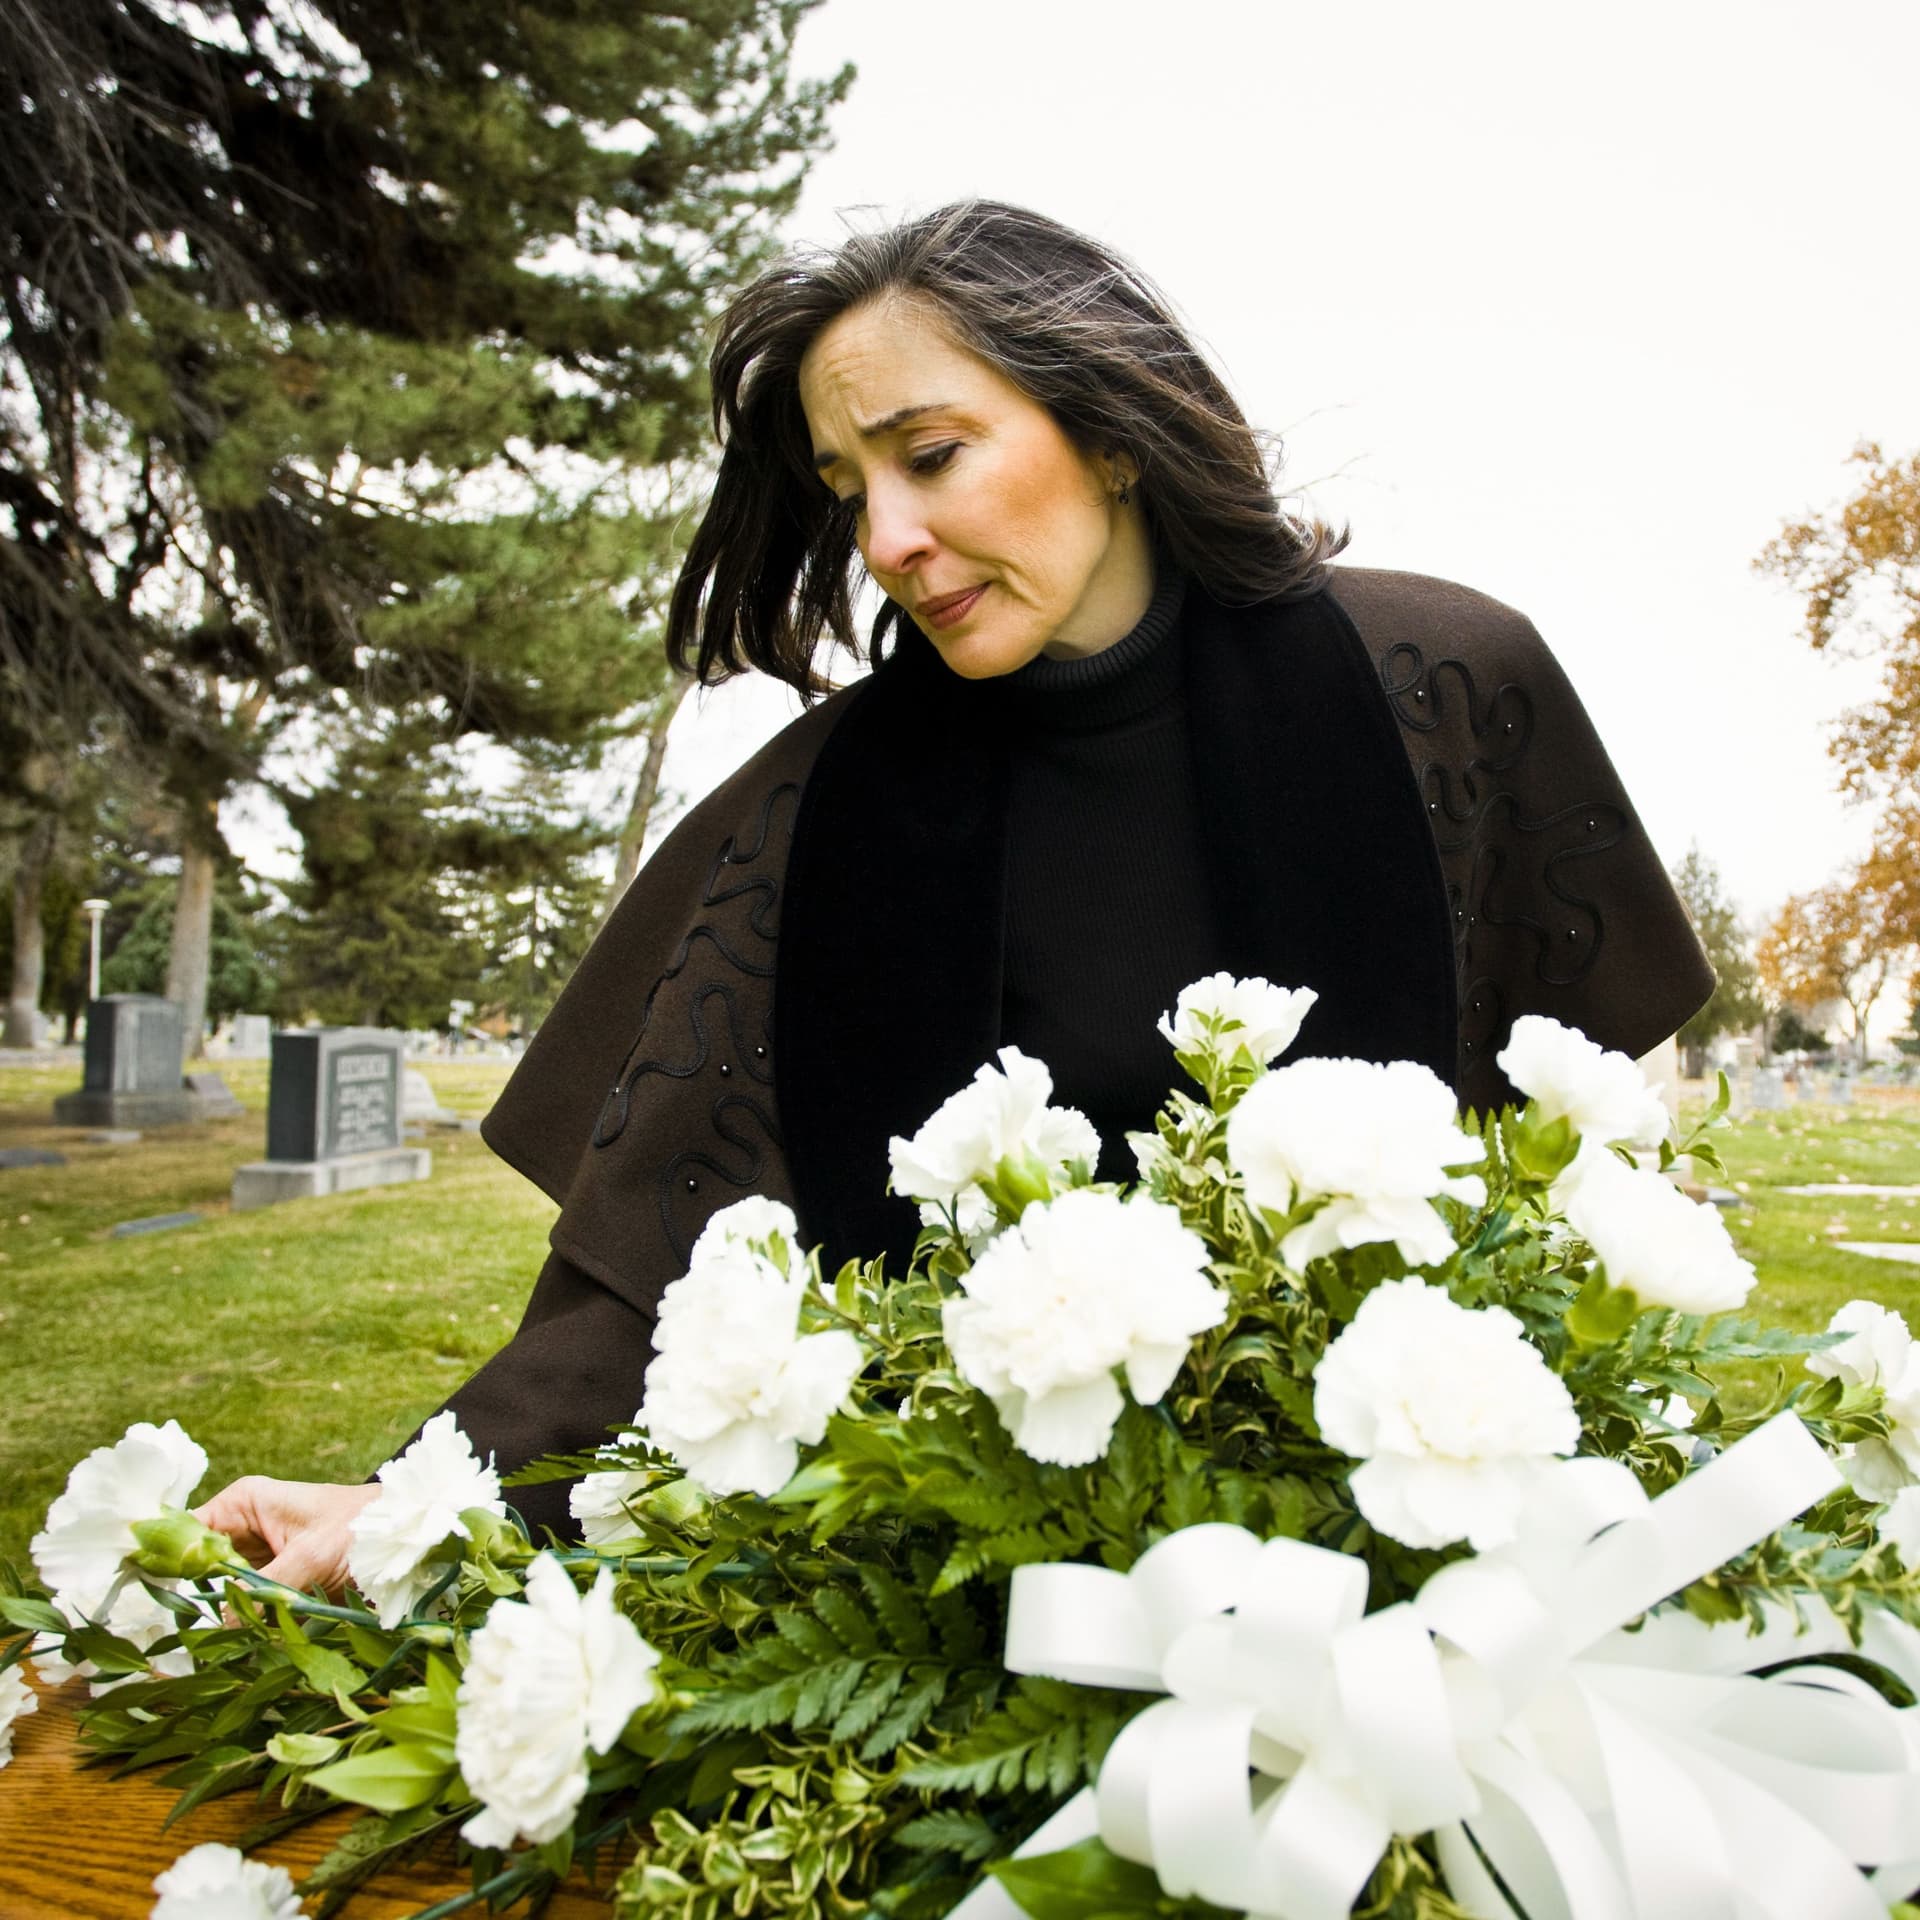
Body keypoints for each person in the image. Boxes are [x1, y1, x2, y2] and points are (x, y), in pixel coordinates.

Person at [196, 201, 1712, 1589]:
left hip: (1439, 1565)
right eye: (848, 487)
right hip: (974, 1586)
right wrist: (404, 1497)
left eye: (930, 457)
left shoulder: (1441, 690)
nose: (887, 542)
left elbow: (1593, 1181)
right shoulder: (821, 812)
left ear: (1109, 432)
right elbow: (666, 1287)